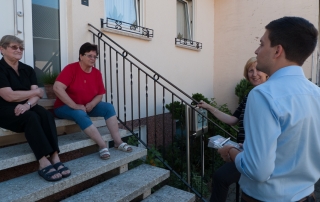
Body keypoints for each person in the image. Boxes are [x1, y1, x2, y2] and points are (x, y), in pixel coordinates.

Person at [219, 17, 320, 202]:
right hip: (307, 196)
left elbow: (257, 171)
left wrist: (232, 152)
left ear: (277, 50)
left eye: (261, 44)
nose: (256, 50)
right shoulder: (317, 94)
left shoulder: (263, 95)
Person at [0, 35, 71, 182]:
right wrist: (34, 93)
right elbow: (9, 96)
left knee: (46, 115)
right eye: (14, 47)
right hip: (5, 109)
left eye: (21, 48)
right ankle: (42, 161)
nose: (19, 50)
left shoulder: (28, 70)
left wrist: (27, 104)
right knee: (32, 117)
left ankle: (55, 156)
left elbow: (38, 96)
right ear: (2, 49)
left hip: (27, 105)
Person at [197, 57, 268, 202]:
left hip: (255, 154)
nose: (254, 74)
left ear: (267, 72)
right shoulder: (250, 95)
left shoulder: (268, 95)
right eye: (250, 70)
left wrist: (248, 145)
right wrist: (209, 107)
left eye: (258, 69)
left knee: (221, 177)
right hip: (243, 150)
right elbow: (232, 120)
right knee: (223, 178)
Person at [53, 42, 132, 160]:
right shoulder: (71, 69)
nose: (93, 59)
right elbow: (57, 88)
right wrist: (74, 105)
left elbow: (100, 94)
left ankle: (118, 141)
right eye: (90, 55)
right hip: (64, 107)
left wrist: (92, 104)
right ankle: (102, 145)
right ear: (81, 56)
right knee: (79, 113)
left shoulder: (96, 73)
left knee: (108, 107)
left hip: (86, 107)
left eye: (95, 56)